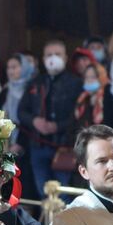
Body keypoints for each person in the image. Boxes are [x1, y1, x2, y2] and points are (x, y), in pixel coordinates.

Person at [19, 39, 83, 190]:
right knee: (43, 192)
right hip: (38, 145)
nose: (53, 58)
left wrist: (58, 126)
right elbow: (21, 111)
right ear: (43, 59)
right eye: (49, 55)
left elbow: (80, 115)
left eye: (57, 54)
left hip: (64, 146)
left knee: (64, 193)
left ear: (65, 58)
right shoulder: (35, 82)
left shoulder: (76, 83)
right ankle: (48, 215)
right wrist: (34, 121)